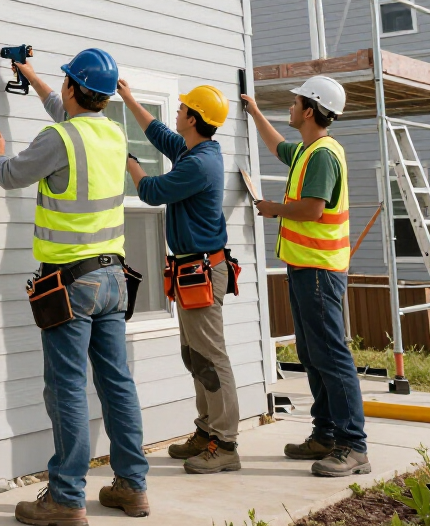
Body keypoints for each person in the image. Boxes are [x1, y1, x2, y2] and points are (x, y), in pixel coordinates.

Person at [0, 49, 150, 523]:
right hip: (114, 278)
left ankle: (67, 499)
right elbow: (68, 112)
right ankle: (132, 487)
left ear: (74, 87)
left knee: (68, 388)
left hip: (72, 284)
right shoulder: (113, 134)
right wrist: (30, 76)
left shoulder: (59, 137)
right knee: (117, 383)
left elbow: (12, 175)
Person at [242, 75, 370, 478]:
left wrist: (272, 208)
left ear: (310, 110)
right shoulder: (305, 151)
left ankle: (353, 446)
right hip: (304, 268)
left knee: (331, 356)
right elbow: (277, 146)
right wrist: (255, 112)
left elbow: (313, 210)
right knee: (313, 355)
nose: (291, 107)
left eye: (296, 102)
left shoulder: (323, 156)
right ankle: (325, 434)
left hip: (319, 271)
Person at [117, 80, 239, 473]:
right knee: (195, 355)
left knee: (211, 357)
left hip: (203, 270)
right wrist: (130, 99)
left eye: (183, 108)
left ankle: (226, 443)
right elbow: (160, 134)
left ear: (195, 118)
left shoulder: (200, 163)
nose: (178, 111)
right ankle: (207, 432)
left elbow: (151, 191)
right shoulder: (194, 149)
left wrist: (127, 158)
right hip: (191, 270)